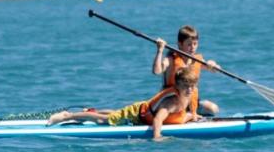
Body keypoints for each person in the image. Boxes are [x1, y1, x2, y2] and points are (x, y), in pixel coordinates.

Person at [46, 66, 200, 140]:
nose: (190, 90)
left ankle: (92, 110)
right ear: (177, 86)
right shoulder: (172, 101)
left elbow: (178, 116)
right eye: (186, 86)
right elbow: (158, 119)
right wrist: (157, 136)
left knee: (114, 114)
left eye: (192, 86)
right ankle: (67, 116)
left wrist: (192, 116)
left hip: (141, 111)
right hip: (136, 115)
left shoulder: (187, 96)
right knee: (104, 120)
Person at [153, 25, 220, 116]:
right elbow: (156, 71)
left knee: (213, 109)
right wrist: (160, 51)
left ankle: (193, 115)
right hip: (172, 101)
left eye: (195, 44)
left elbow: (216, 70)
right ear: (180, 44)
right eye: (189, 44)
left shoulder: (197, 60)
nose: (192, 47)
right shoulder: (171, 59)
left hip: (189, 102)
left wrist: (213, 64)